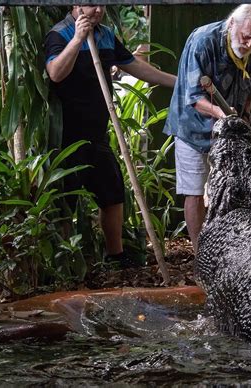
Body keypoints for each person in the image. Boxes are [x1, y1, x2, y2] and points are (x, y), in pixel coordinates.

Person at [45, 5, 176, 268]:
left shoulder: (105, 34)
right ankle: (64, 263)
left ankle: (115, 256)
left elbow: (133, 65)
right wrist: (78, 39)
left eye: (102, 4)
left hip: (97, 132)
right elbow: (56, 73)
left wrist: (176, 81)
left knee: (113, 193)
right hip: (65, 136)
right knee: (64, 199)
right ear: (76, 5)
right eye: (91, 4)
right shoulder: (59, 34)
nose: (98, 10)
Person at [163, 4, 251, 253]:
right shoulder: (202, 41)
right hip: (193, 127)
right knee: (194, 190)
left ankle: (229, 251)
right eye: (246, 36)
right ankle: (201, 254)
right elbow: (194, 96)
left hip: (229, 130)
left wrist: (244, 119)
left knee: (232, 187)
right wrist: (223, 116)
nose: (249, 43)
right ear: (232, 24)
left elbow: (250, 89)